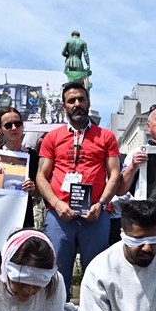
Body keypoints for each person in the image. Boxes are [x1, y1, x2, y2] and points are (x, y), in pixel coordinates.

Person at [35, 80, 121, 294]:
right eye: (71, 100)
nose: (77, 104)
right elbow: (41, 176)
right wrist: (56, 204)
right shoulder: (52, 137)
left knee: (96, 273)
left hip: (95, 214)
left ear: (88, 102)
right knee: (56, 272)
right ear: (64, 106)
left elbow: (114, 174)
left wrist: (101, 204)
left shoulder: (106, 136)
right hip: (60, 213)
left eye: (81, 99)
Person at [0, 106, 39, 226]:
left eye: (17, 124)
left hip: (23, 217)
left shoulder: (33, 155)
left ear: (23, 126)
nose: (14, 128)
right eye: (8, 125)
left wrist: (33, 189)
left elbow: (40, 190)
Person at [116, 103, 156, 196]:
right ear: (149, 127)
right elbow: (120, 191)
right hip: (144, 205)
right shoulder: (135, 154)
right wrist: (133, 166)